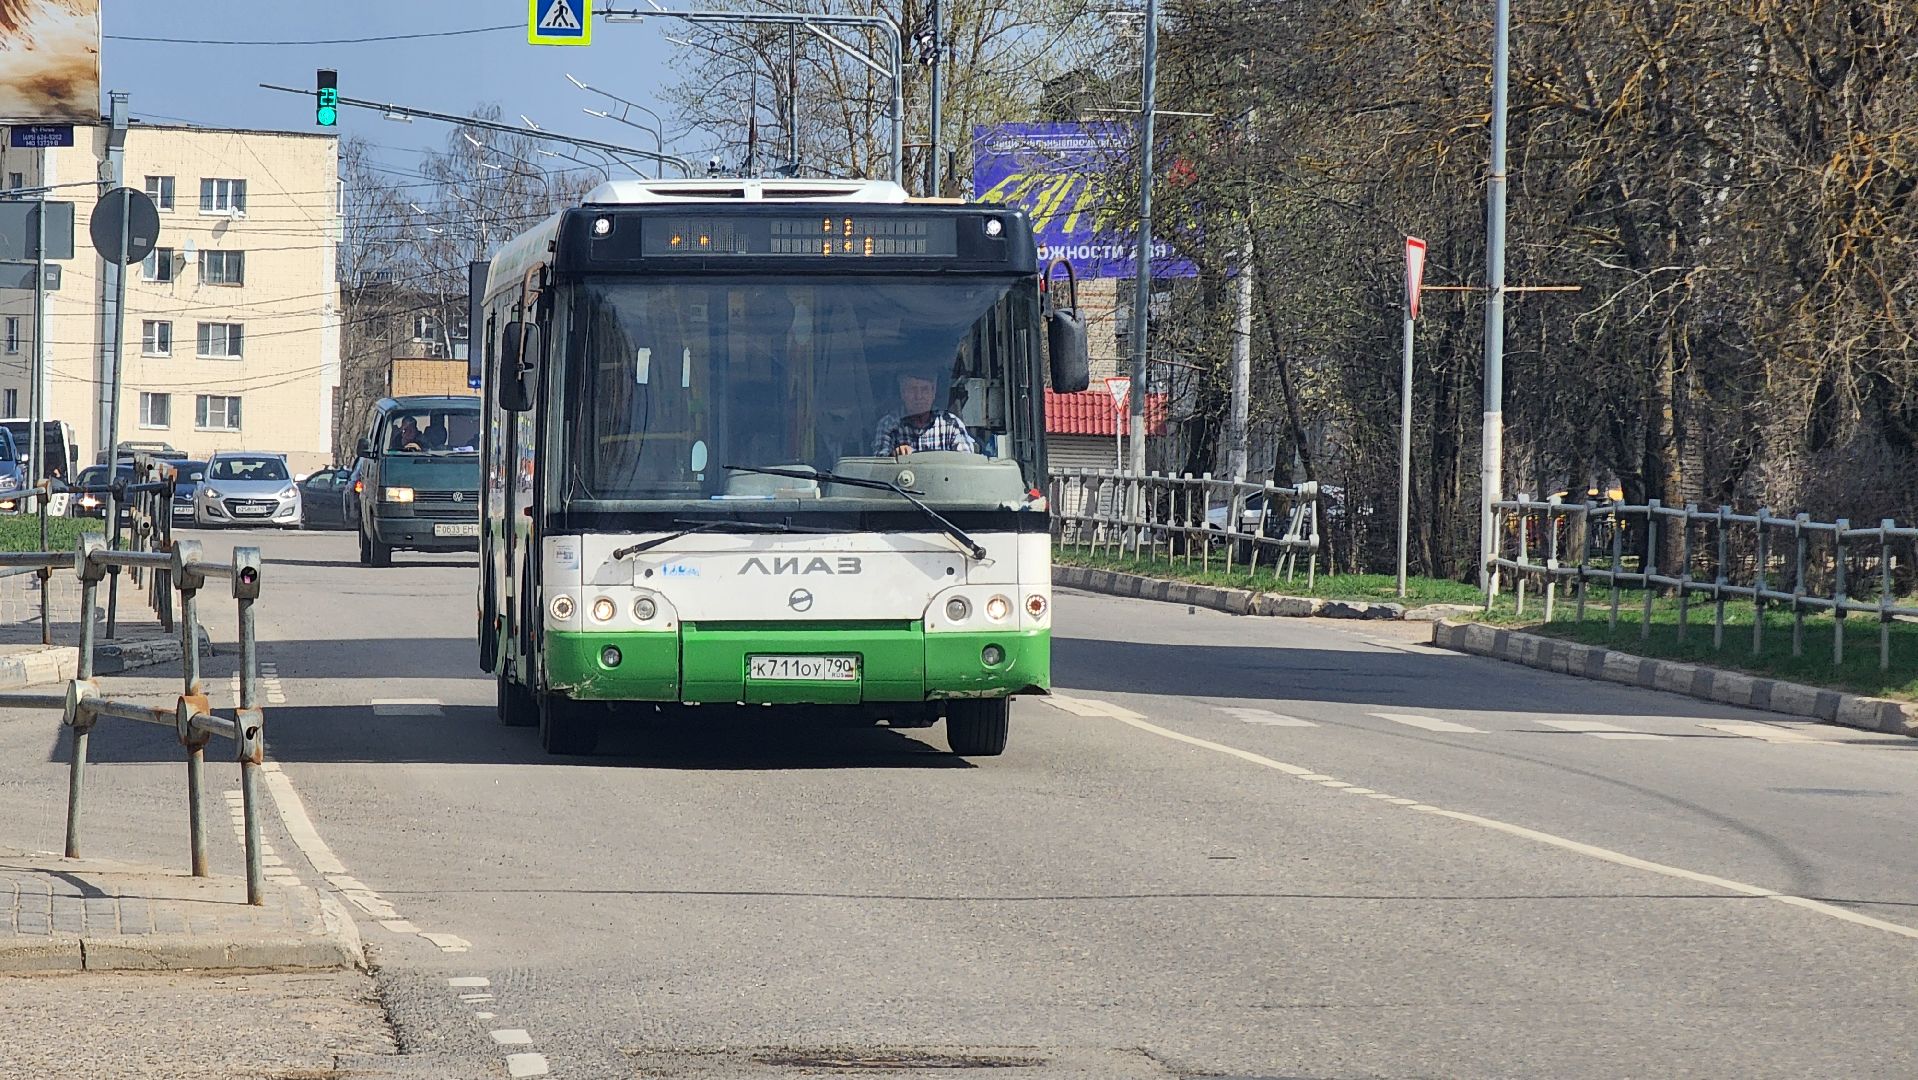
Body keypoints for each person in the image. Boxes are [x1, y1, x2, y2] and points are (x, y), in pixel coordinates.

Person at [872, 373, 976, 457]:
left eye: (925, 389)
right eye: (912, 389)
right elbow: (878, 464)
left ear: (933, 392)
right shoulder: (888, 424)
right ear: (903, 393)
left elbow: (966, 462)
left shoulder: (952, 424)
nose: (919, 396)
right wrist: (894, 455)